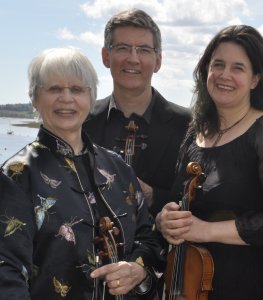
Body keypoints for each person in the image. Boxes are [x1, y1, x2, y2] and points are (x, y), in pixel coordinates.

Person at [0, 47, 164, 299]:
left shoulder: (117, 167)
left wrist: (137, 269)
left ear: (90, 97)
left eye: (77, 89)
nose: (66, 98)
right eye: (54, 89)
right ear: (34, 98)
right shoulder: (17, 175)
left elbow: (149, 237)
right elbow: (7, 273)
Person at [156, 25, 263, 299]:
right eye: (218, 65)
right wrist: (165, 218)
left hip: (245, 283)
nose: (225, 75)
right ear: (206, 71)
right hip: (189, 281)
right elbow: (177, 198)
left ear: (256, 79)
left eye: (238, 68)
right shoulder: (195, 132)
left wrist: (205, 231)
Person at [83, 8, 191, 217]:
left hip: (162, 247)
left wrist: (153, 196)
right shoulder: (83, 121)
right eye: (123, 48)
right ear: (106, 56)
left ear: (158, 61)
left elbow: (202, 200)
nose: (133, 59)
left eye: (143, 50)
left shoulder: (187, 124)